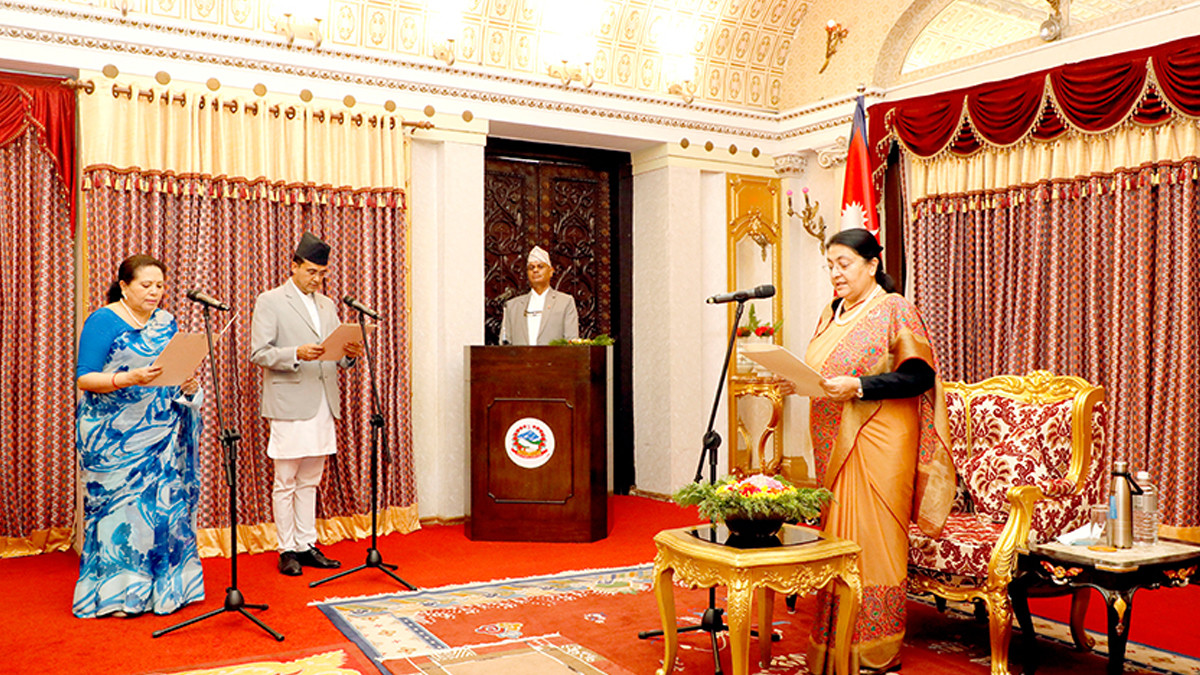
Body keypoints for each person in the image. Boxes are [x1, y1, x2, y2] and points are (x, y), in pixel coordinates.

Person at [804, 229, 955, 674]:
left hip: (881, 443)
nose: (836, 273)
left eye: (844, 263)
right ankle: (834, 642)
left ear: (872, 266)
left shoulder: (895, 309)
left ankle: (876, 647)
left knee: (875, 542)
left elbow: (919, 377)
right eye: (830, 264)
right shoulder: (831, 314)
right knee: (838, 541)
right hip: (835, 444)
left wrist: (861, 386)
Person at [73, 254, 204, 618]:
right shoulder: (103, 320)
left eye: (160, 286)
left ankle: (166, 591)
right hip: (111, 437)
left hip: (160, 431)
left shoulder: (166, 322)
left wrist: (187, 382)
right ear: (124, 286)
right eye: (146, 285)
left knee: (162, 511)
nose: (155, 292)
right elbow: (84, 378)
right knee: (122, 517)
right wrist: (128, 378)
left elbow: (172, 369)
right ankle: (117, 596)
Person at [250, 232, 362, 577]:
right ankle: (286, 548)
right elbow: (259, 353)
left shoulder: (327, 305)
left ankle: (306, 543)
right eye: (311, 272)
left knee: (311, 479)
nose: (317, 279)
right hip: (289, 400)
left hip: (323, 402)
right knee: (285, 478)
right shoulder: (271, 300)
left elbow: (333, 354)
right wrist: (294, 354)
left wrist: (349, 356)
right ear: (294, 265)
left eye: (322, 273)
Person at [499, 245, 580, 345]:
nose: (535, 270)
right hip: (521, 360)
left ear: (551, 271)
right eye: (531, 267)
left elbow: (571, 343)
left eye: (540, 266)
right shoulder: (512, 306)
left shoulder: (565, 302)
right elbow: (505, 344)